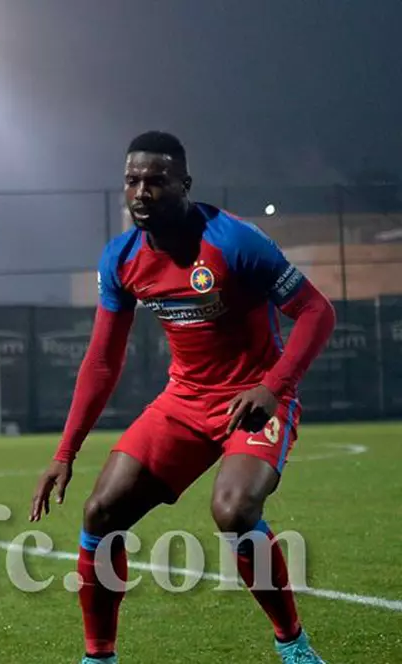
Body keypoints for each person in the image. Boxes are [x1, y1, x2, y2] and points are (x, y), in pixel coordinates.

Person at [29, 131, 335, 664]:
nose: (141, 192)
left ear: (184, 185)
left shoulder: (234, 242)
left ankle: (295, 648)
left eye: (156, 181)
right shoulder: (121, 258)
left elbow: (317, 312)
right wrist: (64, 454)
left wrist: (273, 386)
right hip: (185, 400)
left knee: (234, 511)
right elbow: (102, 361)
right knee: (100, 514)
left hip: (256, 397)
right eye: (132, 181)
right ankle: (99, 659)